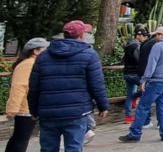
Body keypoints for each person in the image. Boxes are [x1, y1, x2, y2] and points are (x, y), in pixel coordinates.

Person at [28, 21, 109, 152]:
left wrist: (33, 110)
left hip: (48, 112)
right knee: (74, 147)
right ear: (81, 35)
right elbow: (97, 84)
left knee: (48, 148)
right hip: (77, 111)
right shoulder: (89, 55)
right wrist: (103, 106)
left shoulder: (43, 56)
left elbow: (34, 87)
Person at [120, 26, 163, 143]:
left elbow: (151, 64)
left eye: (156, 35)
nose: (155, 37)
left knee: (143, 107)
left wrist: (143, 80)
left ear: (161, 35)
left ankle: (134, 133)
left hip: (156, 81)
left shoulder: (158, 46)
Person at [5, 38, 50, 152]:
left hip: (28, 108)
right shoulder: (28, 64)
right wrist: (13, 109)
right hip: (25, 109)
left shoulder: (34, 63)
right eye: (45, 49)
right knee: (21, 140)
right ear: (36, 51)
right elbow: (18, 87)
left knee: (18, 138)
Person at [122, 27, 148, 124]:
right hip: (134, 73)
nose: (144, 38)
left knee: (129, 95)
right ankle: (135, 97)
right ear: (138, 35)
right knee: (148, 88)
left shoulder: (128, 44)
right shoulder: (137, 46)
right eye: (143, 36)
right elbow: (139, 61)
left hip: (127, 73)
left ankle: (128, 117)